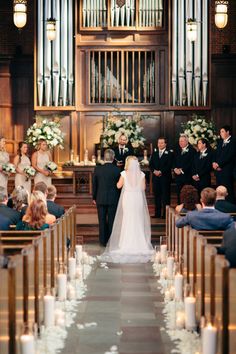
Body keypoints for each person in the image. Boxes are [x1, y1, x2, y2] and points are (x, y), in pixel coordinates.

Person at [101, 156, 154, 263]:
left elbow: (118, 186)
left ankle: (126, 242)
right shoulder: (142, 174)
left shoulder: (124, 174)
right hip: (137, 198)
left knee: (128, 219)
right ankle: (140, 243)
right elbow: (143, 188)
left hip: (128, 198)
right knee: (138, 219)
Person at [92, 149, 121, 246]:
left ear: (104, 158)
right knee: (112, 220)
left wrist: (94, 198)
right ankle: (111, 241)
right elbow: (119, 186)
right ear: (113, 158)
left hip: (100, 198)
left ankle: (103, 241)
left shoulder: (98, 169)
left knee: (102, 220)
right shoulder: (117, 169)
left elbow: (94, 185)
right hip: (113, 198)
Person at [149, 137, 173, 218]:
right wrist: (154, 171)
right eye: (159, 143)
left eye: (162, 143)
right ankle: (157, 213)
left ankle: (165, 214)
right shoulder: (155, 152)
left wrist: (161, 171)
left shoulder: (169, 153)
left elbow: (169, 165)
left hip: (165, 178)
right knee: (157, 196)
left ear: (165, 144)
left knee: (165, 196)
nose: (160, 144)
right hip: (156, 178)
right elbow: (151, 164)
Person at [212, 125, 235, 202]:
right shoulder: (220, 142)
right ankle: (219, 206)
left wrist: (219, 164)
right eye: (220, 132)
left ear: (227, 132)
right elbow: (215, 154)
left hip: (227, 171)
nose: (220, 133)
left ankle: (230, 208)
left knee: (228, 190)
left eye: (222, 131)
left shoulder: (233, 141)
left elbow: (230, 156)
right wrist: (214, 163)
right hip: (219, 171)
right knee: (219, 190)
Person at [173, 134, 196, 204]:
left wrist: (181, 170)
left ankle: (186, 210)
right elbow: (173, 160)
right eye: (179, 141)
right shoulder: (177, 150)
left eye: (182, 141)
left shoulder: (192, 150)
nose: (180, 143)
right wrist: (175, 168)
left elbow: (191, 163)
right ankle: (180, 209)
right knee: (179, 193)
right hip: (178, 176)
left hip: (187, 176)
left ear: (187, 141)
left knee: (187, 194)